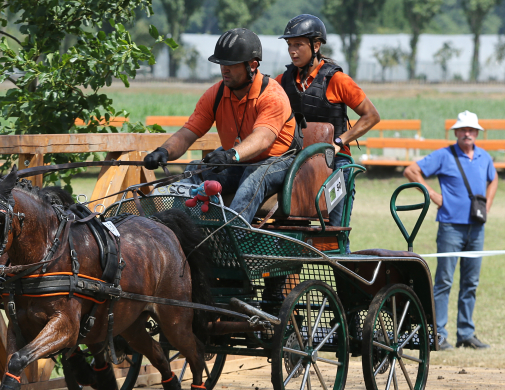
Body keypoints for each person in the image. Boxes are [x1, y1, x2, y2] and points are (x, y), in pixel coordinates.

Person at [143, 28, 299, 225]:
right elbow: (188, 133)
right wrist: (163, 151)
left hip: (277, 161)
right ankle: (175, 230)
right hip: (239, 159)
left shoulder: (273, 95)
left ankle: (233, 238)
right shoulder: (215, 94)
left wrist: (230, 155)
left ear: (252, 65)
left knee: (253, 180)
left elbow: (262, 139)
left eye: (231, 65)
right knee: (196, 171)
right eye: (221, 64)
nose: (224, 69)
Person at [276, 14, 380, 247]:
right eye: (289, 45)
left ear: (316, 45)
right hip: (297, 164)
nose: (292, 51)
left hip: (336, 166)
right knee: (285, 232)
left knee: (334, 235)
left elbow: (371, 116)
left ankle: (340, 255)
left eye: (298, 45)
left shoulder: (338, 80)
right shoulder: (282, 81)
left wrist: (340, 141)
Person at [403, 111, 498, 350]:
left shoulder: (484, 157)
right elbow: (411, 171)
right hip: (450, 228)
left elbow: (494, 178)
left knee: (471, 282)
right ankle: (439, 333)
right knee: (444, 280)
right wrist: (433, 195)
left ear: (477, 133)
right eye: (463, 129)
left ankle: (466, 334)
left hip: (476, 229)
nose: (467, 133)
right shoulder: (444, 155)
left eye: (471, 129)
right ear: (456, 132)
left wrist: (488, 204)